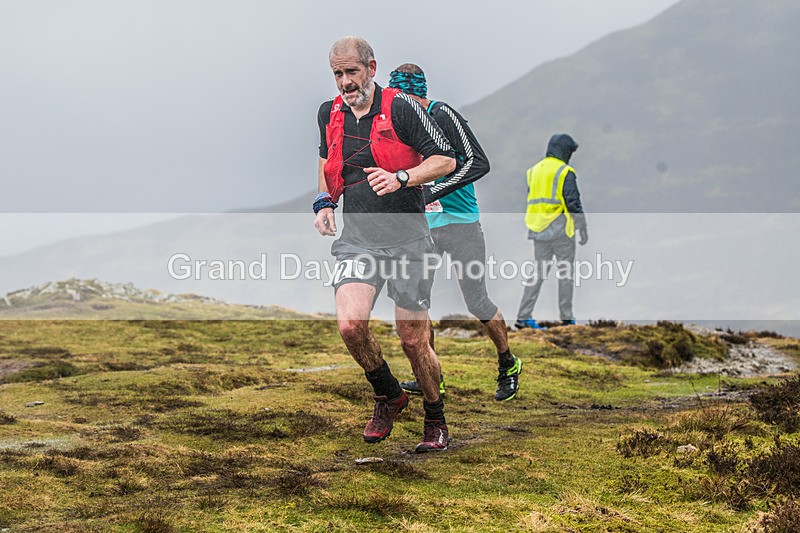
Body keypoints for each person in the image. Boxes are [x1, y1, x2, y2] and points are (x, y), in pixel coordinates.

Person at [314, 37, 457, 453]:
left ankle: (435, 417)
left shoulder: (402, 107)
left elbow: (445, 160)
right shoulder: (330, 112)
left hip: (409, 238)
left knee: (413, 340)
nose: (344, 82)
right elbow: (327, 163)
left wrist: (402, 178)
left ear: (371, 68)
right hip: (357, 240)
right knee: (350, 326)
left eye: (351, 72)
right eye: (337, 74)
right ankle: (389, 394)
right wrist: (325, 202)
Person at [387, 63, 522, 402]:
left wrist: (432, 192)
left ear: (420, 94)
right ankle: (432, 376)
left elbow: (478, 162)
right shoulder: (399, 124)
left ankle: (508, 362)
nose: (400, 105)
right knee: (419, 303)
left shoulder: (441, 113)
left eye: (405, 98)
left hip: (461, 223)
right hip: (425, 229)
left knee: (476, 300)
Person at [515, 134, 588, 330]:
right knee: (565, 275)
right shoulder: (565, 171)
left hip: (538, 230)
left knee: (537, 274)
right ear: (565, 151)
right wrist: (582, 227)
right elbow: (573, 203)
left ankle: (523, 316)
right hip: (561, 232)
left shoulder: (534, 171)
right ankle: (567, 319)